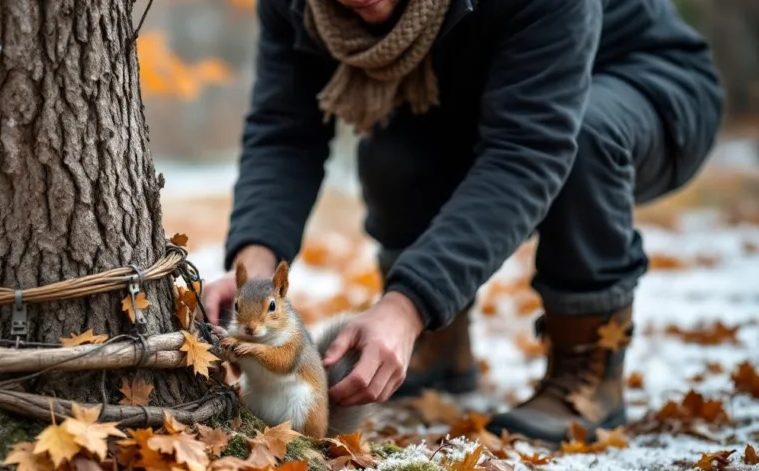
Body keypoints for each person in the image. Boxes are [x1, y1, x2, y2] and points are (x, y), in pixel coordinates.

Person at [202, 0, 724, 443]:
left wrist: (407, 305)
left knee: (585, 138)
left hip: (640, 83)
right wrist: (253, 269)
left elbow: (528, 149)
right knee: (394, 149)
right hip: (471, 101)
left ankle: (587, 369)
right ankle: (440, 346)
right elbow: (284, 130)